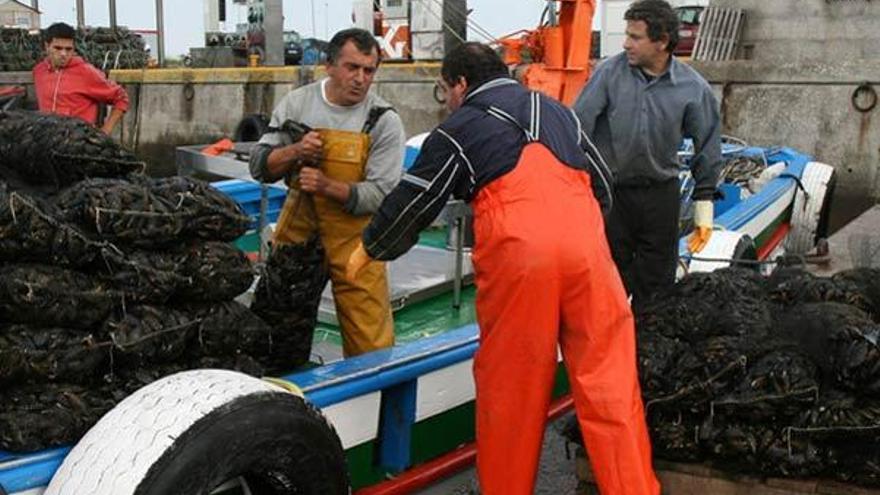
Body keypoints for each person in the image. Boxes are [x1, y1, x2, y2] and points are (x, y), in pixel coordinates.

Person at [347, 42, 659, 495]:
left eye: (444, 90)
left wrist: (370, 249)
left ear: (459, 84)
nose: (447, 100)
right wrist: (582, 237)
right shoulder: (559, 112)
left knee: (512, 394)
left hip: (522, 259)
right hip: (589, 255)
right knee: (612, 386)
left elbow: (414, 202)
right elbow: (603, 185)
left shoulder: (456, 130)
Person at [249, 28, 405, 357]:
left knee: (370, 342)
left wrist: (325, 186)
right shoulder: (297, 103)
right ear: (329, 65)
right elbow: (260, 166)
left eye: (369, 70)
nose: (361, 79)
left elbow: (382, 193)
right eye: (352, 67)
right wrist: (295, 153)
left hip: (357, 239)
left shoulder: (383, 120)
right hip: (298, 233)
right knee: (277, 330)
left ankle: (373, 393)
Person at [573, 0, 722, 308]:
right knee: (604, 286)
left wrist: (704, 200)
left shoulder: (693, 88)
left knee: (657, 290)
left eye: (635, 37)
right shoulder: (608, 74)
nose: (626, 44)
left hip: (660, 199)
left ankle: (648, 350)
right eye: (626, 35)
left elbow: (707, 141)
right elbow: (577, 130)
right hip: (611, 197)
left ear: (662, 42)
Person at [32, 22, 129, 135]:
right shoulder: (39, 72)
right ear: (47, 46)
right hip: (49, 141)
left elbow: (121, 97)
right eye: (58, 48)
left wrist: (105, 132)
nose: (63, 54)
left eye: (68, 49)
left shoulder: (86, 72)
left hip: (79, 143)